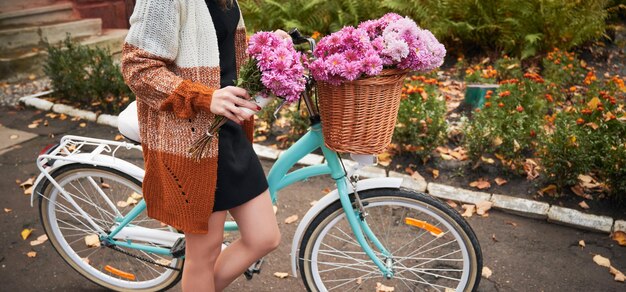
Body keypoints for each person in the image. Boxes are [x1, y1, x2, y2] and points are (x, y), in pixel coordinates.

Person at [121, 0, 287, 290]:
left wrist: (269, 47)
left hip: (227, 129)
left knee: (264, 237)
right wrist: (204, 97)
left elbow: (218, 53)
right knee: (204, 253)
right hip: (193, 138)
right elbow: (137, 67)